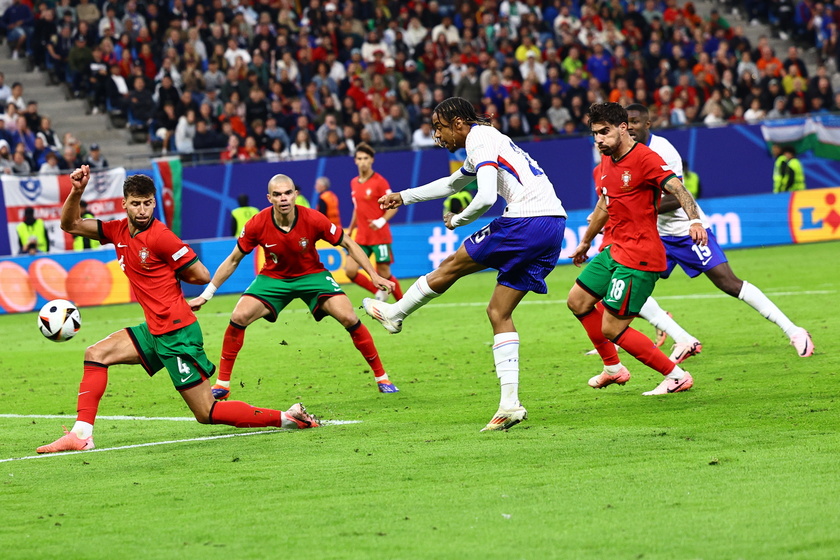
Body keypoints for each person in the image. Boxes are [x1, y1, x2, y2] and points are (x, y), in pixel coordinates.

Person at [37, 167, 318, 454]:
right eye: (136, 203)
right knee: (96, 354)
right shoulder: (116, 230)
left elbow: (201, 274)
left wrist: (170, 286)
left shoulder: (161, 237)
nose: (143, 209)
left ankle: (289, 418)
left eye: (148, 203)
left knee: (206, 412)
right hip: (155, 331)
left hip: (177, 334)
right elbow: (70, 224)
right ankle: (81, 435)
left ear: (154, 203)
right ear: (125, 204)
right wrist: (77, 190)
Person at [362, 97, 567, 431]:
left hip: (526, 220)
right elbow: (453, 183)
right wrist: (404, 195)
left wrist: (458, 219)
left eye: (441, 128)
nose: (439, 136)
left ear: (459, 123)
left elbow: (485, 197)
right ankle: (509, 405)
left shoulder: (478, 138)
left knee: (453, 263)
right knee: (498, 312)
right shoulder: (488, 141)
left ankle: (395, 314)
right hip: (553, 225)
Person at [624, 104, 814, 359]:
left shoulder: (663, 151)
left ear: (647, 124)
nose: (630, 127)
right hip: (656, 234)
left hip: (685, 230)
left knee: (729, 283)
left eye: (635, 121)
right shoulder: (625, 152)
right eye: (627, 123)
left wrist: (636, 208)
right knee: (628, 286)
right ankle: (681, 339)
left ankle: (794, 330)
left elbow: (677, 196)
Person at [188, 174, 399, 398]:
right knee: (239, 316)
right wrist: (207, 294)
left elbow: (347, 242)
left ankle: (382, 378)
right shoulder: (257, 223)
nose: (284, 198)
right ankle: (222, 384)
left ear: (295, 194)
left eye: (288, 193)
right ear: (269, 198)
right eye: (277, 195)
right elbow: (233, 260)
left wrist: (373, 275)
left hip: (312, 276)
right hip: (274, 278)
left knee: (349, 317)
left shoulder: (314, 218)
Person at [567, 102, 708, 397]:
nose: (599, 140)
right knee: (578, 301)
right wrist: (586, 240)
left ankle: (676, 376)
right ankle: (613, 368)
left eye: (604, 132)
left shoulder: (645, 158)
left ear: (623, 128)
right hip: (614, 249)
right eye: (594, 134)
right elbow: (605, 204)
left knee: (611, 328)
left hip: (640, 255)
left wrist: (695, 221)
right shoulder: (605, 161)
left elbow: (680, 189)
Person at [344, 143, 404, 303]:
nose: (362, 161)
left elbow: (394, 207)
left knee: (384, 273)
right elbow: (357, 209)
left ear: (372, 160)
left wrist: (380, 221)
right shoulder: (354, 183)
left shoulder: (380, 182)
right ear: (355, 161)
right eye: (359, 158)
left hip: (379, 236)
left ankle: (403, 304)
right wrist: (350, 229)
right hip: (362, 236)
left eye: (365, 158)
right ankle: (378, 292)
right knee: (350, 271)